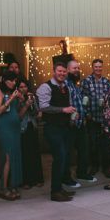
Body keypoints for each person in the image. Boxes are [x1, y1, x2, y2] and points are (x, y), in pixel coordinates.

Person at [37, 61, 76, 202]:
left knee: (64, 158)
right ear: (54, 71)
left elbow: (68, 105)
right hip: (52, 128)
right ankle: (55, 192)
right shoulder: (45, 87)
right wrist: (63, 110)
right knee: (59, 157)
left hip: (65, 127)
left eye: (64, 71)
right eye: (59, 71)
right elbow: (44, 107)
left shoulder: (66, 87)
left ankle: (59, 188)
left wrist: (72, 114)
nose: (62, 74)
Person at [65, 59, 96, 185]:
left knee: (84, 150)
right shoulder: (65, 85)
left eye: (78, 68)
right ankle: (66, 178)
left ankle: (82, 173)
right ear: (68, 70)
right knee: (68, 153)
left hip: (81, 124)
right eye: (74, 68)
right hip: (70, 125)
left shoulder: (75, 85)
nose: (77, 70)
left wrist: (85, 112)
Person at [0, 70, 23, 201]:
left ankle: (13, 185)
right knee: (8, 158)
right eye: (12, 80)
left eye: (15, 80)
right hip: (4, 128)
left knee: (15, 156)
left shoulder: (13, 92)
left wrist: (23, 101)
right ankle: (3, 188)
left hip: (15, 128)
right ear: (5, 81)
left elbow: (17, 113)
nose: (14, 82)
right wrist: (11, 99)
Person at [82, 59, 110, 178]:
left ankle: (106, 167)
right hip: (92, 118)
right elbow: (84, 99)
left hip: (104, 118)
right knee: (93, 144)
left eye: (100, 67)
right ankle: (94, 166)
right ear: (92, 67)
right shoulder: (86, 81)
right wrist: (87, 113)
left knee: (105, 144)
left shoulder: (106, 81)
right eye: (96, 67)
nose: (98, 69)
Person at [17, 78, 44, 189]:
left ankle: (37, 179)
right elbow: (19, 116)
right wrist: (26, 104)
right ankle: (26, 181)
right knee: (25, 155)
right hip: (21, 129)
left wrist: (33, 105)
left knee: (35, 154)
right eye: (21, 87)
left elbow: (37, 112)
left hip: (32, 126)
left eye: (25, 86)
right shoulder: (16, 99)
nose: (23, 89)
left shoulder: (31, 97)